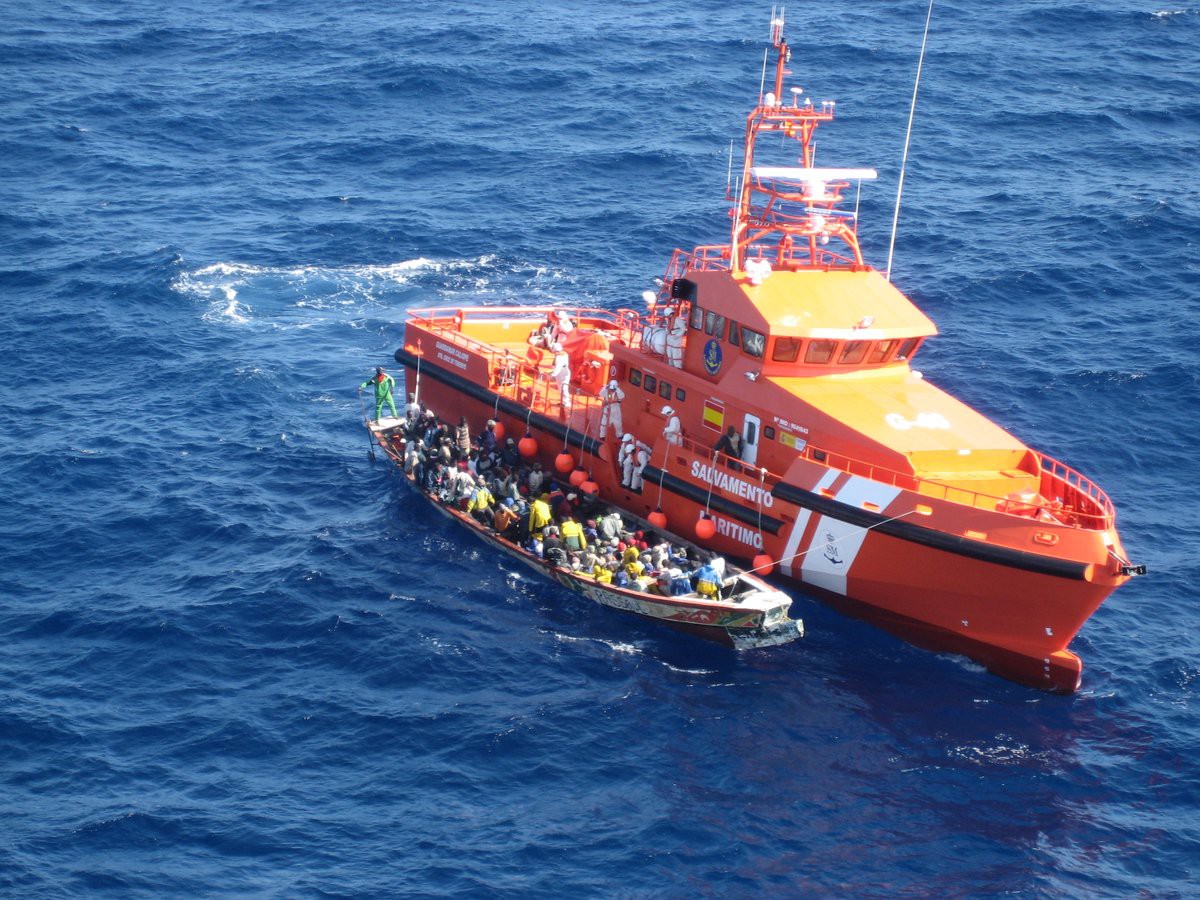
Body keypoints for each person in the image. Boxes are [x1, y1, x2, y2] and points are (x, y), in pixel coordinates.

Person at [550, 343, 572, 413]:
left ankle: (566, 402)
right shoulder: (563, 354)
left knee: (563, 387)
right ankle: (563, 401)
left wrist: (552, 375)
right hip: (562, 372)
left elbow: (558, 367)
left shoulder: (559, 357)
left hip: (562, 373)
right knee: (561, 387)